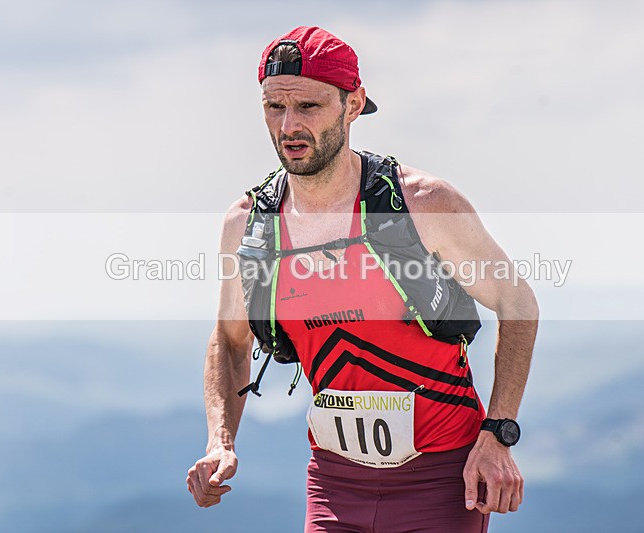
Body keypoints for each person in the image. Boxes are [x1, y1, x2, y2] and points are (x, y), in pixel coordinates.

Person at [187, 26, 539, 533]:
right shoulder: (250, 224)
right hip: (333, 484)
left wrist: (498, 433)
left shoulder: (422, 205)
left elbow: (517, 303)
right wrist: (220, 440)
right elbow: (229, 338)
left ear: (354, 105)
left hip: (443, 480)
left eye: (308, 106)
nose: (288, 126)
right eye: (273, 107)